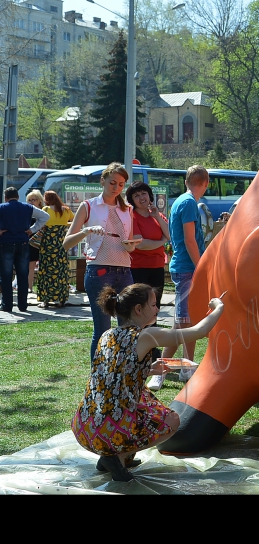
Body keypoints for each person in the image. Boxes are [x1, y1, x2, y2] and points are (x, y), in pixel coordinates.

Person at [71, 282, 225, 482]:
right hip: (107, 430)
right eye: (153, 305)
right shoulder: (146, 335)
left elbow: (115, 373)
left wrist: (150, 369)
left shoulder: (107, 334)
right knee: (172, 420)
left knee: (143, 398)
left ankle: (113, 456)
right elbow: (198, 332)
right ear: (138, 309)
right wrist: (219, 307)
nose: (158, 309)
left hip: (86, 426)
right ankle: (116, 456)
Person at [63, 163, 142, 360]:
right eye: (112, 183)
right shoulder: (88, 206)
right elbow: (66, 243)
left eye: (121, 184)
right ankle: (98, 379)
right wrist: (87, 231)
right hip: (99, 271)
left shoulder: (128, 209)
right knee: (102, 329)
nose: (116, 188)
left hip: (124, 270)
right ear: (102, 181)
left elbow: (129, 242)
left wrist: (131, 246)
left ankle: (121, 374)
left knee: (127, 328)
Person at [148, 165, 208, 390]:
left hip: (182, 266)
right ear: (206, 182)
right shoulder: (190, 202)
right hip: (186, 268)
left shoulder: (181, 200)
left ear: (186, 180)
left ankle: (167, 369)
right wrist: (201, 266)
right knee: (185, 322)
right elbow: (190, 240)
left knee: (181, 323)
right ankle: (183, 368)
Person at [0, 187, 49, 314]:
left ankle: (7, 304)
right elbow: (45, 216)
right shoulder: (27, 208)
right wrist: (32, 229)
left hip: (6, 243)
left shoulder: (2, 207)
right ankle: (23, 305)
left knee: (6, 275)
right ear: (18, 197)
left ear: (6, 198)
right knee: (22, 274)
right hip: (23, 242)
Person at [126, 181, 170, 308]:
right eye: (136, 195)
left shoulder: (158, 215)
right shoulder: (132, 217)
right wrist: (162, 241)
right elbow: (141, 244)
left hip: (157, 266)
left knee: (155, 305)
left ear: (150, 196)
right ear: (132, 200)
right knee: (141, 306)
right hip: (138, 268)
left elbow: (169, 234)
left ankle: (153, 328)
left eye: (143, 193)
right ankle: (142, 329)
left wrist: (157, 216)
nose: (141, 198)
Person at [35, 190, 75, 309]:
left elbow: (40, 222)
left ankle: (45, 300)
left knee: (46, 269)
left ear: (46, 199)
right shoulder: (66, 210)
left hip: (48, 242)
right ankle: (61, 299)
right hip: (61, 242)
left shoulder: (46, 210)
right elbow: (73, 220)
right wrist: (63, 226)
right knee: (61, 269)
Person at [26, 190, 45, 292]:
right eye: (29, 200)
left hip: (43, 242)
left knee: (44, 266)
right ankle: (29, 287)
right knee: (31, 266)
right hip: (31, 241)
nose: (31, 202)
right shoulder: (27, 212)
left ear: (39, 201)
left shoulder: (44, 211)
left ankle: (42, 288)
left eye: (34, 199)